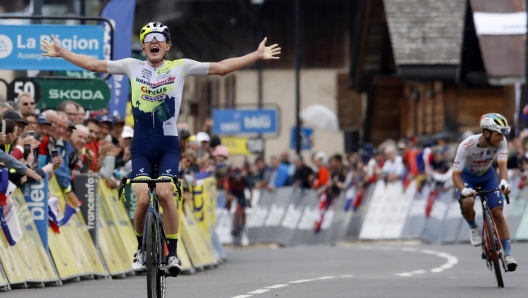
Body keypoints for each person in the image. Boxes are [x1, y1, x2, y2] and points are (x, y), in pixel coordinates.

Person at [41, 21, 280, 276]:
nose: (154, 42)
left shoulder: (181, 66)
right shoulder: (132, 66)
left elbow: (221, 68)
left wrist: (255, 55)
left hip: (168, 145)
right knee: (143, 198)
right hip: (142, 145)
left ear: (167, 45)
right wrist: (62, 52)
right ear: (143, 46)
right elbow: (94, 65)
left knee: (166, 195)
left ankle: (173, 254)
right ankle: (140, 249)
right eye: (149, 38)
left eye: (160, 38)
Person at [452, 113, 517, 271]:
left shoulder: (501, 142)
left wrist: (503, 181)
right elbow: (455, 175)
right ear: (486, 133)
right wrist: (464, 189)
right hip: (468, 177)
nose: (501, 138)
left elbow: (502, 165)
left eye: (503, 135)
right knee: (467, 202)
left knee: (498, 213)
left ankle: (508, 253)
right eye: (498, 135)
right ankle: (473, 226)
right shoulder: (466, 145)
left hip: (488, 176)